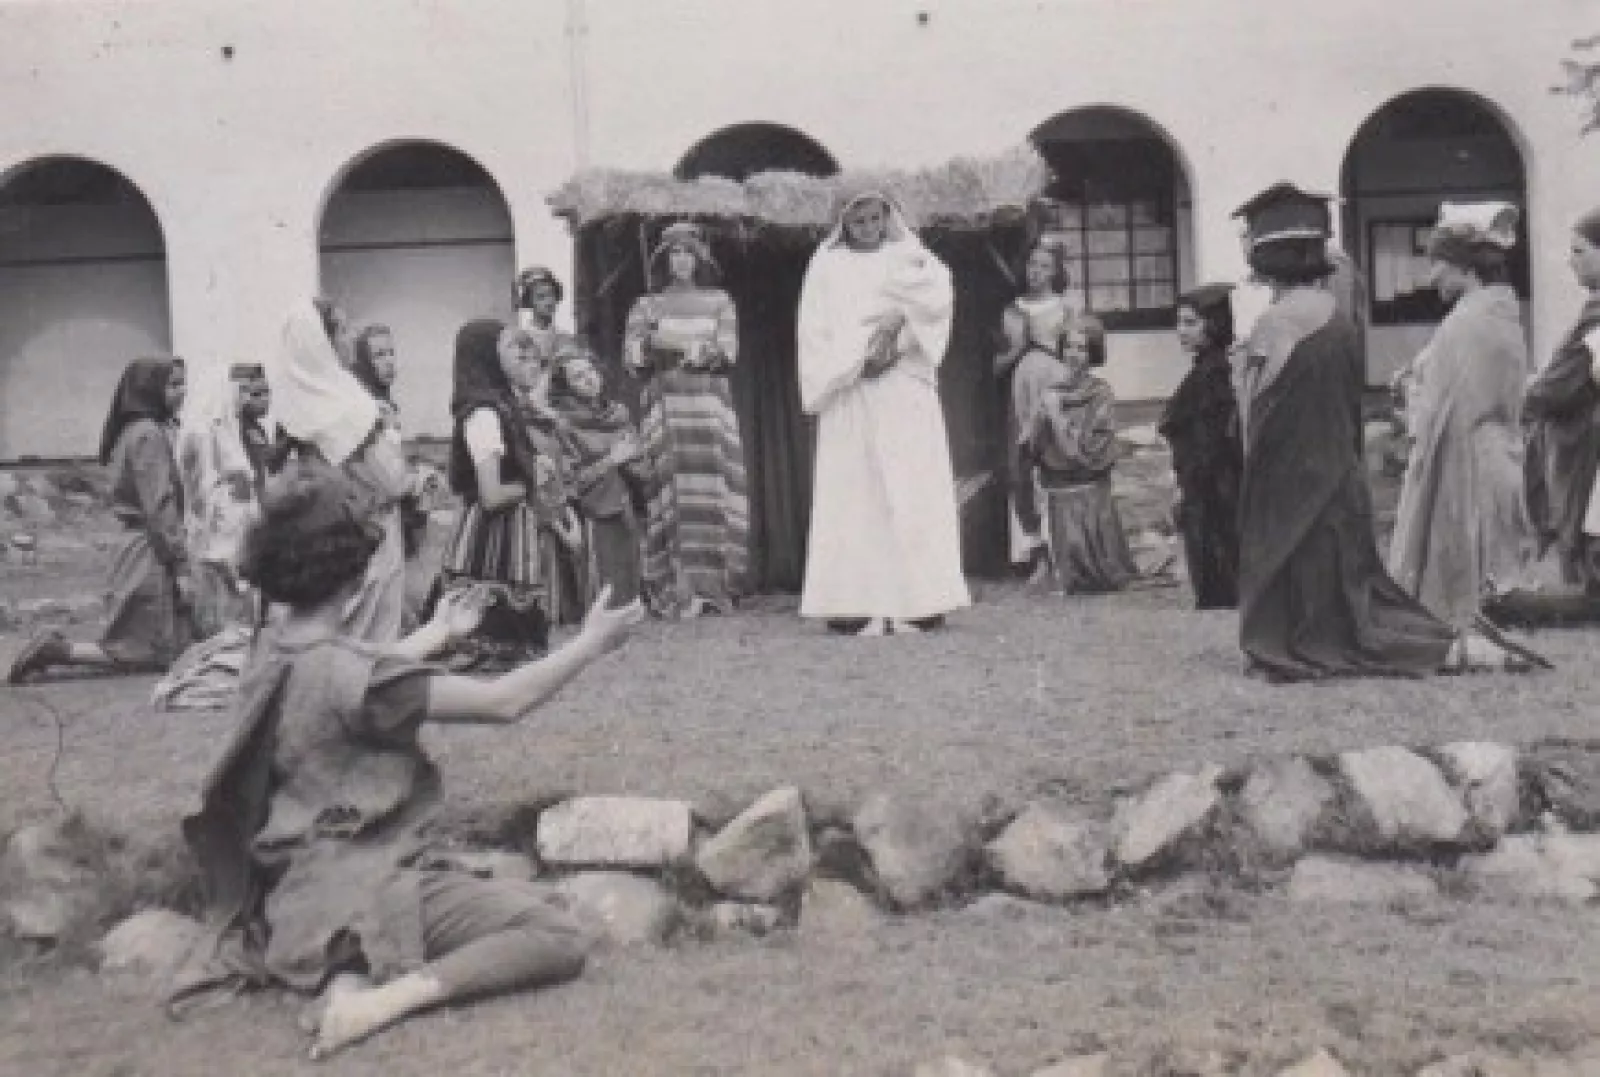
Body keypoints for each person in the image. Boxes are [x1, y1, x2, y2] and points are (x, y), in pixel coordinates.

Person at [169, 457, 643, 1061]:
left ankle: (344, 979)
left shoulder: (271, 650)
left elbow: (347, 676)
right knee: (556, 933)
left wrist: (436, 635)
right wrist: (590, 644)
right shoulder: (362, 677)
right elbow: (503, 701)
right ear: (358, 567)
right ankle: (385, 1001)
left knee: (478, 896)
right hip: (365, 884)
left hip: (292, 897)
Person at [1230, 182, 1542, 681]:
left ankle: (1442, 650)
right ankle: (1460, 647)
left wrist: (1243, 378)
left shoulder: (1277, 322)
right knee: (1341, 578)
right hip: (1335, 466)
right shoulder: (1335, 316)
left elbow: (1257, 405)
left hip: (1291, 471)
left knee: (1309, 586)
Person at [796, 191, 970, 636]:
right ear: (844, 224)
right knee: (857, 492)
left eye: (876, 219)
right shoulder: (827, 266)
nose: (869, 228)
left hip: (902, 388)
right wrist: (856, 360)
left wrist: (900, 329)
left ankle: (920, 602)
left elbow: (938, 300)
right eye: (859, 222)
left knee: (909, 488)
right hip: (852, 389)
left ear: (888, 217)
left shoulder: (908, 255)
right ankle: (853, 603)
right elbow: (815, 331)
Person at [1388, 202, 1537, 627]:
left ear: (1466, 268)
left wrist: (1411, 388)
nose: (1432, 275)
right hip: (1494, 450)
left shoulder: (1470, 321)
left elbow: (1448, 401)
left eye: (1439, 264)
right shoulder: (1497, 311)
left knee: (1465, 559)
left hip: (1466, 456)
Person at [8, 358, 193, 683]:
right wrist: (180, 564)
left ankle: (59, 650)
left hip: (137, 547)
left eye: (183, 383)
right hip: (150, 552)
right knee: (143, 651)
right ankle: (57, 651)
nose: (182, 391)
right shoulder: (148, 435)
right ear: (149, 389)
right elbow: (159, 505)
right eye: (173, 384)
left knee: (158, 646)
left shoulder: (132, 432)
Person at [623, 221, 749, 619]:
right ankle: (677, 589)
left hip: (708, 407)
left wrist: (671, 342)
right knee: (670, 491)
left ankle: (716, 588)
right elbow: (633, 358)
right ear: (664, 260)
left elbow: (725, 353)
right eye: (674, 253)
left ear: (700, 259)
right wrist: (652, 345)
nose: (681, 261)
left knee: (712, 490)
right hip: (665, 407)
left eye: (688, 253)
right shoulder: (646, 305)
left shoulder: (720, 302)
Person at [268, 299, 410, 644]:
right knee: (371, 636)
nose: (351, 337)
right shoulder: (347, 407)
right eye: (343, 330)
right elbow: (392, 482)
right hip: (367, 531)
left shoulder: (295, 404)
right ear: (322, 344)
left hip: (323, 531)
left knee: (332, 633)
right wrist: (414, 477)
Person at [440, 320, 558, 671]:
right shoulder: (483, 414)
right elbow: (491, 494)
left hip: (510, 527)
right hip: (491, 535)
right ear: (487, 356)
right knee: (486, 627)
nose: (517, 353)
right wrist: (529, 481)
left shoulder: (502, 405)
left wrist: (531, 464)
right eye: (508, 346)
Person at [1026, 317, 1137, 594]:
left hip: (1088, 481)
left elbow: (1087, 450)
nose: (1074, 354)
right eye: (1069, 347)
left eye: (1082, 348)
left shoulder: (1100, 393)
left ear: (1093, 353)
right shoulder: (1052, 392)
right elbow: (1035, 447)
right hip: (1056, 483)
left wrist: (1056, 415)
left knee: (1097, 578)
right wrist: (1039, 421)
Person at [1523, 206, 1600, 594]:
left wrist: (1523, 396)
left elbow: (1559, 384)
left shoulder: (1597, 315)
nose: (1570, 262)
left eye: (1579, 251)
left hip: (1587, 443)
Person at [548, 343, 652, 608]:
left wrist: (632, 461)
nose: (589, 379)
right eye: (578, 377)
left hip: (629, 506)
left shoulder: (618, 413)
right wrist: (611, 461)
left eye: (591, 371)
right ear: (565, 387)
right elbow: (569, 483)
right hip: (591, 514)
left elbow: (642, 464)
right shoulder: (563, 424)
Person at [1159, 283, 1244, 610]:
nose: (1181, 331)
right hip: (1207, 476)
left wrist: (1190, 478)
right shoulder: (1207, 368)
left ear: (1213, 324)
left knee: (1214, 538)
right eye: (1179, 322)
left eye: (1191, 322)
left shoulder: (1214, 373)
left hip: (1212, 479)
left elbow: (1210, 437)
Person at [996, 238, 1074, 585]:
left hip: (1055, 391)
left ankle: (1063, 549)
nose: (1036, 272)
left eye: (1044, 266)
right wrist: (1019, 346)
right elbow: (995, 366)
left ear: (1055, 271)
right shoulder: (1011, 311)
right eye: (1032, 265)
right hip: (1021, 395)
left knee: (1054, 465)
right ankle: (1035, 550)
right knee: (1022, 470)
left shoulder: (1066, 309)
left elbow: (1084, 353)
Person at [176, 361, 266, 639]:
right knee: (223, 597)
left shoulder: (229, 427)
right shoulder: (203, 433)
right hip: (219, 528)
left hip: (236, 524)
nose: (245, 399)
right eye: (241, 391)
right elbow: (202, 488)